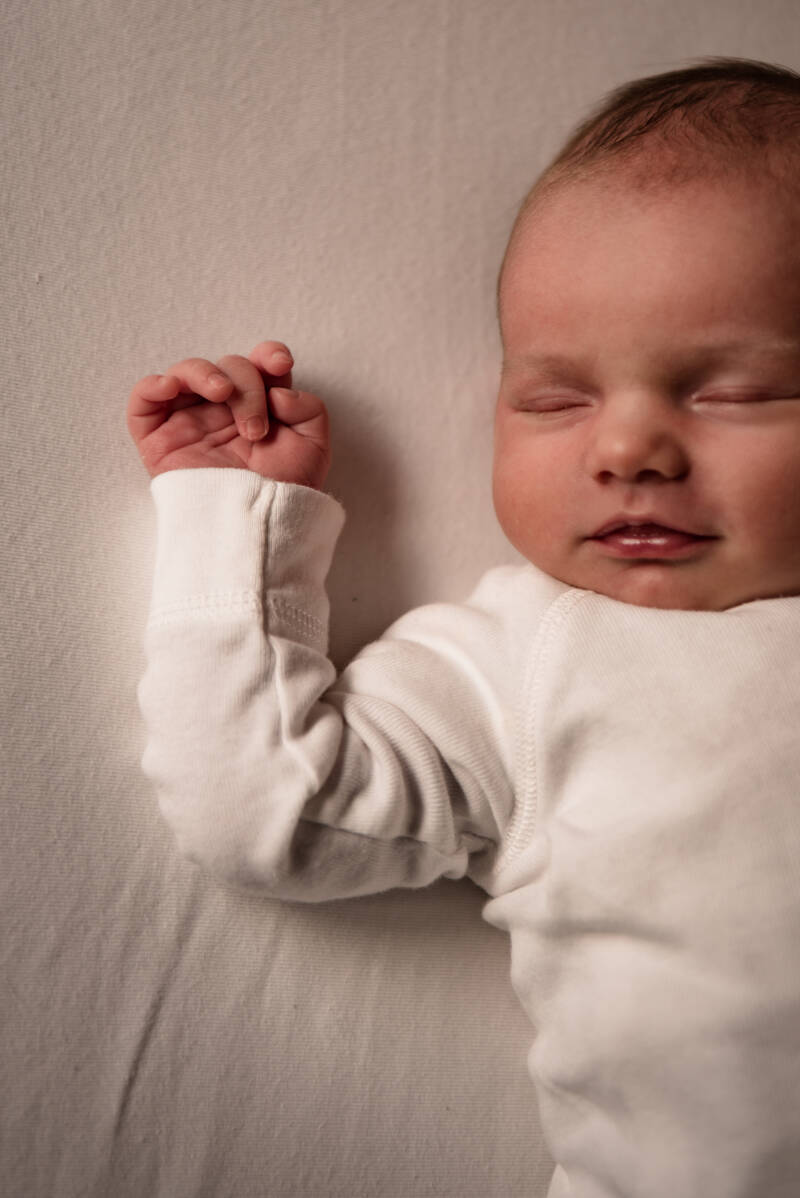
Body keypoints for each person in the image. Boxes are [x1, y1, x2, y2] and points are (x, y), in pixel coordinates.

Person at [127, 57, 800, 1198]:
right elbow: (270, 809)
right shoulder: (530, 656)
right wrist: (235, 514)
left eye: (727, 392)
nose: (625, 448)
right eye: (554, 399)